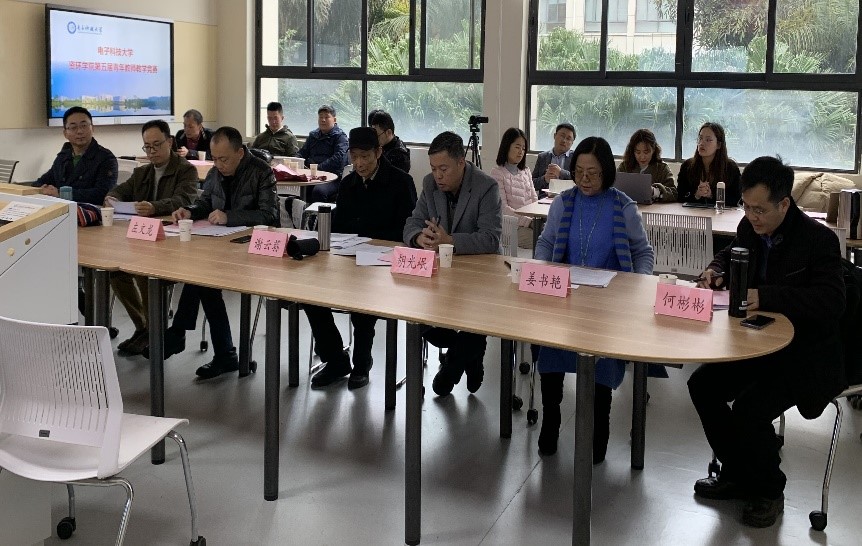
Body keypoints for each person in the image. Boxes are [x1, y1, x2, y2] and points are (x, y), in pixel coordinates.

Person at [688, 156, 846, 528]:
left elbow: (832, 301)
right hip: (755, 342)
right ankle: (738, 473)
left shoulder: (817, 240)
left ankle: (770, 490)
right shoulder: (750, 227)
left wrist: (766, 296)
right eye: (746, 206)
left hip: (804, 353)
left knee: (750, 408)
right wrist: (716, 269)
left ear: (784, 204)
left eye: (759, 209)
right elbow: (732, 253)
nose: (751, 216)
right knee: (702, 385)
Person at [534, 136, 656, 463]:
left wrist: (638, 283)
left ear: (607, 172)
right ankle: (551, 419)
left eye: (593, 173)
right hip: (566, 301)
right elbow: (546, 243)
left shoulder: (622, 206)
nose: (585, 180)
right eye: (579, 172)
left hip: (607, 306)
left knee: (601, 369)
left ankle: (599, 428)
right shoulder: (563, 203)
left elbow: (642, 252)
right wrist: (541, 267)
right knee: (550, 354)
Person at [143, 126, 280, 379]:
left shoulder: (261, 171)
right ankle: (222, 353)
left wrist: (230, 217)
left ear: (240, 153)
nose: (218, 165)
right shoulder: (216, 172)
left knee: (202, 277)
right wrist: (190, 211)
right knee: (202, 279)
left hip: (253, 250)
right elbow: (206, 202)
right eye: (214, 159)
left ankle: (182, 333)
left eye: (223, 159)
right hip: (221, 247)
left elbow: (270, 215)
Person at [303, 127, 417, 390]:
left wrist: (371, 241)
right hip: (349, 260)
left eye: (365, 156)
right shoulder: (348, 183)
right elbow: (339, 227)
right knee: (311, 296)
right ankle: (336, 360)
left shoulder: (401, 182)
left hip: (384, 265)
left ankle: (362, 364)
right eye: (354, 157)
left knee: (361, 304)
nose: (360, 163)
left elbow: (407, 229)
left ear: (378, 152)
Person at [403, 131, 502, 396]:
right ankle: (472, 351)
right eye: (433, 168)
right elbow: (412, 222)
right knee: (418, 317)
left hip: (479, 276)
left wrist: (450, 241)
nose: (437, 175)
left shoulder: (486, 187)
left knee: (476, 319)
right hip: (441, 276)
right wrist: (419, 237)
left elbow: (490, 239)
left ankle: (454, 364)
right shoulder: (429, 184)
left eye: (443, 169)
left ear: (461, 162)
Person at [105, 120, 199, 355]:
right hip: (142, 241)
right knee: (115, 272)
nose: (152, 151)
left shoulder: (185, 170)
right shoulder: (142, 172)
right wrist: (112, 198)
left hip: (171, 242)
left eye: (157, 145)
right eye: (147, 147)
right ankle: (144, 327)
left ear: (170, 142)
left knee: (143, 272)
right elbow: (120, 190)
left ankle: (152, 330)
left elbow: (184, 199)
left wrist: (155, 207)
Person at [34, 106, 118, 205]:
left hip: (89, 211)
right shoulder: (63, 156)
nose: (79, 131)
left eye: (84, 126)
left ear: (92, 128)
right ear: (65, 133)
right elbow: (41, 181)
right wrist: (43, 189)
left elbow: (102, 194)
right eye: (73, 127)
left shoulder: (106, 158)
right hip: (61, 209)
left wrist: (61, 194)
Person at [489, 127, 538, 248]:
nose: (521, 151)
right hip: (510, 227)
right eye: (517, 147)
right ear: (507, 146)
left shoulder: (526, 171)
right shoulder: (497, 173)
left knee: (552, 235)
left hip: (529, 224)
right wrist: (529, 222)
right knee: (543, 240)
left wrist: (537, 220)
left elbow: (534, 200)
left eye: (523, 148)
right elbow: (503, 209)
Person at [677, 122, 741, 206]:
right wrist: (696, 195)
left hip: (721, 213)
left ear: (718, 145)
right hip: (693, 212)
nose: (702, 143)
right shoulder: (687, 166)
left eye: (708, 140)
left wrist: (712, 195)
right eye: (700, 138)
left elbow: (736, 199)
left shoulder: (730, 168)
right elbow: (679, 196)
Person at [298, 104, 349, 202]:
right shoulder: (313, 135)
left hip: (333, 177)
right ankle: (301, 212)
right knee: (297, 189)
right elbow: (303, 152)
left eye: (326, 117)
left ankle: (320, 213)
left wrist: (319, 168)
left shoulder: (340, 137)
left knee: (318, 191)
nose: (323, 120)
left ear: (334, 119)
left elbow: (338, 158)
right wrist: (295, 160)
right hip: (312, 175)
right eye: (321, 117)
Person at [618, 128, 677, 202]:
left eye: (646, 152)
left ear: (653, 150)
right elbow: (613, 187)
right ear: (632, 151)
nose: (642, 157)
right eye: (638, 152)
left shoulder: (662, 168)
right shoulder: (624, 167)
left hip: (654, 208)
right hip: (628, 207)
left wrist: (654, 191)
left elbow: (674, 193)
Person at [531, 122, 576, 194]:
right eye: (562, 136)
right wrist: (545, 179)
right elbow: (532, 184)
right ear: (555, 136)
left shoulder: (576, 157)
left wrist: (561, 172)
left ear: (572, 142)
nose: (564, 140)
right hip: (545, 198)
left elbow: (579, 179)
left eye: (568, 138)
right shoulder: (542, 157)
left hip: (568, 198)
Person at [368, 109, 411, 173]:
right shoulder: (384, 144)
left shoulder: (399, 156)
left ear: (388, 132)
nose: (374, 139)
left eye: (377, 135)